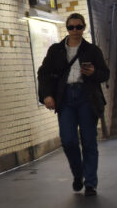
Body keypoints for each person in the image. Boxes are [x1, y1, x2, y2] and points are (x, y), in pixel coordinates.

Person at [37, 13, 110, 196]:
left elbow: (105, 74)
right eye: (71, 27)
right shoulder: (56, 50)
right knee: (68, 140)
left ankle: (90, 183)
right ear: (67, 29)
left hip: (87, 97)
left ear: (83, 28)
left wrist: (93, 72)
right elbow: (44, 73)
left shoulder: (92, 50)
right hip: (66, 98)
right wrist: (47, 95)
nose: (75, 30)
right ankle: (78, 174)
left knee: (89, 141)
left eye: (78, 27)